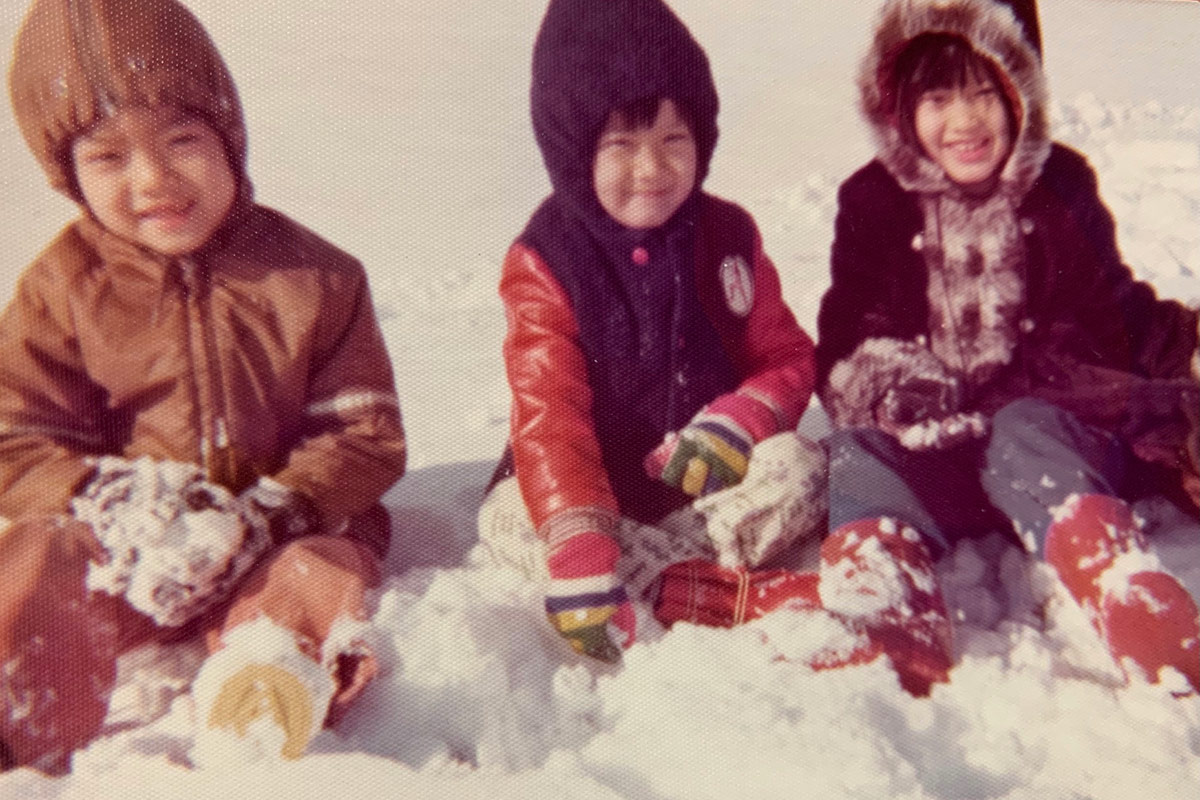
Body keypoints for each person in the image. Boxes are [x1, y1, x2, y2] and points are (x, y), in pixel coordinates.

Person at [0, 0, 405, 771]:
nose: (154, 179)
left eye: (181, 141)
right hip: (135, 551)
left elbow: (364, 435)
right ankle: (16, 698)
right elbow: (17, 437)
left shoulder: (317, 278)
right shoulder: (61, 290)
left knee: (321, 568)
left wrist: (276, 509)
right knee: (36, 555)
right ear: (68, 175)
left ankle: (266, 681)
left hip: (283, 531)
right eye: (109, 158)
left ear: (229, 140)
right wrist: (107, 500)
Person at [814, 0, 1200, 697]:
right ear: (900, 105)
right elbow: (850, 327)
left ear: (1021, 90)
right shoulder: (872, 201)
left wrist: (1186, 343)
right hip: (936, 447)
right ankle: (883, 597)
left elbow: (1115, 308)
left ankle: (1122, 585)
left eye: (984, 93)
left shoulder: (1061, 186)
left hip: (1048, 438)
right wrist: (890, 384)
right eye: (938, 99)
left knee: (1026, 430)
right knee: (857, 455)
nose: (964, 122)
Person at [478, 0, 823, 664]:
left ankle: (659, 580)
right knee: (505, 519)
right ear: (574, 152)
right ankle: (705, 589)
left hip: (701, 487)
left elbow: (784, 354)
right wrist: (577, 532)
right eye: (622, 145)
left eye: (674, 140)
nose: (652, 169)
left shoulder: (727, 238)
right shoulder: (545, 259)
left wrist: (743, 416)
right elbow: (550, 412)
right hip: (583, 484)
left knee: (803, 469)